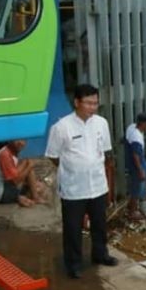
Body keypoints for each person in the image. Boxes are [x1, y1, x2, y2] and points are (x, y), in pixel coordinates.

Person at [45, 83, 118, 279]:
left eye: (95, 103)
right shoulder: (61, 127)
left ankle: (100, 255)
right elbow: (53, 156)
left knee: (100, 225)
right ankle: (74, 264)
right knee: (72, 228)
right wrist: (74, 168)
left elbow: (104, 152)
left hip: (97, 185)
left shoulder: (101, 123)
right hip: (73, 188)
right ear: (76, 102)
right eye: (88, 103)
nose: (93, 107)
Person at [0, 139, 46, 207]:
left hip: (7, 185)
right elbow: (15, 181)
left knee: (40, 186)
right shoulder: (5, 154)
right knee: (34, 184)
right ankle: (31, 197)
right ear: (10, 140)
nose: (21, 143)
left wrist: (26, 163)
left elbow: (16, 173)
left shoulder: (13, 152)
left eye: (24, 140)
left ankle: (32, 196)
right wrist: (29, 166)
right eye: (17, 140)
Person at [124, 112, 146, 220]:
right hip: (136, 164)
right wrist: (140, 169)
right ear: (143, 123)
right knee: (136, 188)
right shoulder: (136, 137)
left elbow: (126, 138)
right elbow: (135, 155)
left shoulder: (132, 127)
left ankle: (144, 193)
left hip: (139, 161)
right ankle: (132, 212)